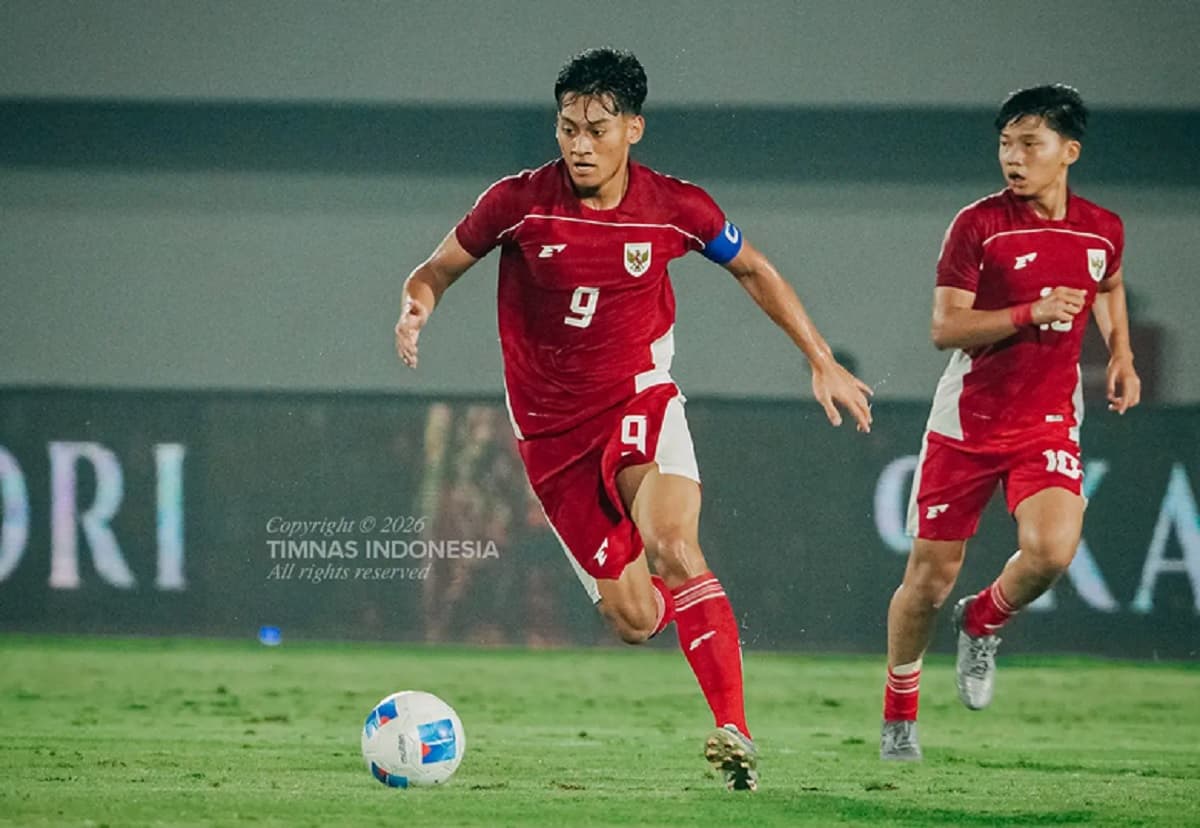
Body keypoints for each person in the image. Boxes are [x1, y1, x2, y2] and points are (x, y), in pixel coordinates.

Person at [394, 47, 874, 790]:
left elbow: (752, 266)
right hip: (550, 438)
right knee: (638, 620)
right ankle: (694, 640)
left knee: (675, 542)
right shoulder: (518, 202)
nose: (580, 144)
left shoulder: (676, 208)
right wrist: (415, 306)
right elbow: (436, 269)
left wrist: (819, 356)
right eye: (567, 128)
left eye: (596, 128)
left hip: (638, 399)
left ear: (634, 129)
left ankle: (734, 734)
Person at [879, 84, 1141, 761]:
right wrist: (1029, 312)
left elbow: (1107, 285)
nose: (1013, 158)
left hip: (1047, 422)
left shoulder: (1101, 228)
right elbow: (945, 328)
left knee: (1053, 551)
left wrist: (1121, 354)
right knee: (929, 580)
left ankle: (985, 617)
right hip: (965, 424)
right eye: (1006, 144)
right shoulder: (979, 226)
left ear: (1069, 151)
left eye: (1030, 144)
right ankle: (900, 715)